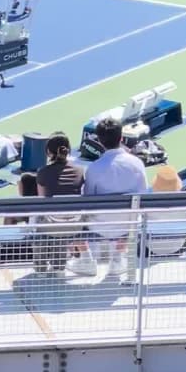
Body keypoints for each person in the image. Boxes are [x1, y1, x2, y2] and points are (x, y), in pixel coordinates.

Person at [82, 116, 147, 278]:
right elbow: (143, 194)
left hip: (99, 227)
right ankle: (118, 257)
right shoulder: (137, 163)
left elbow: (88, 200)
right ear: (121, 138)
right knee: (134, 213)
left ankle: (89, 257)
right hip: (128, 225)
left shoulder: (94, 168)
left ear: (99, 141)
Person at [33, 132, 85, 274]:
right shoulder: (80, 171)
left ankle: (40, 269)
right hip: (74, 225)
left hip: (53, 224)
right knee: (60, 223)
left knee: (43, 223)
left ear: (48, 152)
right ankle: (58, 266)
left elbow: (41, 201)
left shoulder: (43, 172)